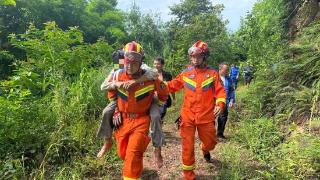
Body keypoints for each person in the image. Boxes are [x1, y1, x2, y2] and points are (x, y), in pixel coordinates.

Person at [107, 41, 169, 179]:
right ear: (123, 61)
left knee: (133, 153)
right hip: (123, 120)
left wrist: (156, 104)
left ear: (141, 63)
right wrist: (116, 109)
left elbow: (164, 93)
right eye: (127, 62)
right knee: (123, 153)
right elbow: (111, 93)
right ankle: (136, 167)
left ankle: (154, 151)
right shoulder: (117, 75)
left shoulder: (150, 78)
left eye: (134, 63)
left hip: (141, 120)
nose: (129, 66)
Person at [166, 41, 226, 180]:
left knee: (211, 143)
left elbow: (221, 91)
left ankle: (205, 148)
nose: (195, 59)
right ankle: (188, 175)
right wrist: (156, 84)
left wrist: (220, 102)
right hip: (187, 117)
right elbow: (171, 86)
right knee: (187, 146)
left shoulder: (212, 74)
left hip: (206, 117)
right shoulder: (185, 73)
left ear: (204, 57)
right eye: (192, 56)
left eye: (198, 56)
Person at [217, 62, 235, 139]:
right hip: (212, 100)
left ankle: (220, 133)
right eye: (226, 69)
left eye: (228, 69)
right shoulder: (214, 77)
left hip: (224, 101)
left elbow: (231, 90)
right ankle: (208, 134)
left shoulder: (229, 79)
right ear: (220, 69)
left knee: (223, 116)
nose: (227, 71)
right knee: (210, 118)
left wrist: (231, 100)